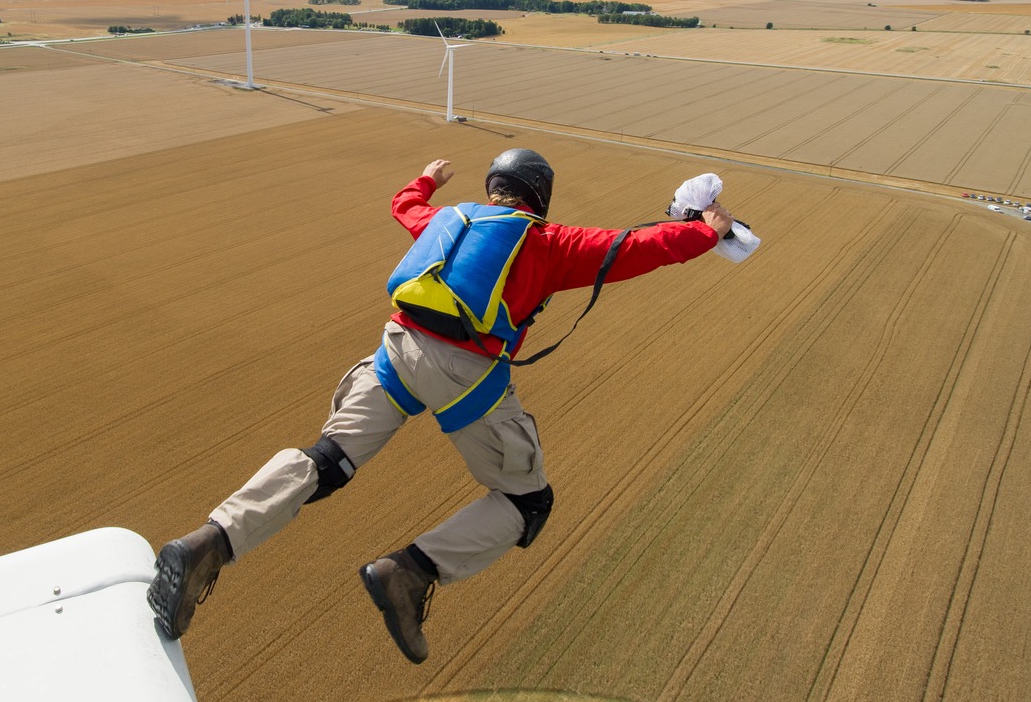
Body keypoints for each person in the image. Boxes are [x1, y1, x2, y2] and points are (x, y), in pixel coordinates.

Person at [147, 149, 732, 663]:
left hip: (396, 352)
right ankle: (409, 572)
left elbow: (404, 206)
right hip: (467, 377)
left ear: (493, 190)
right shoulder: (549, 242)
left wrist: (426, 180)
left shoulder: (447, 221)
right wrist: (708, 230)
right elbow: (639, 247)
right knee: (527, 502)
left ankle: (207, 542)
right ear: (540, 197)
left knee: (327, 459)